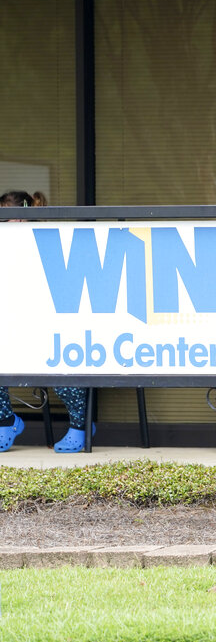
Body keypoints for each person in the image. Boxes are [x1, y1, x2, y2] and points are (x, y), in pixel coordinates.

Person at [0, 190, 93, 453]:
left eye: (7, 220)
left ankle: (80, 425)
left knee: (63, 365)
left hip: (54, 328)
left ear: (20, 220)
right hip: (15, 329)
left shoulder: (47, 242)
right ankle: (6, 420)